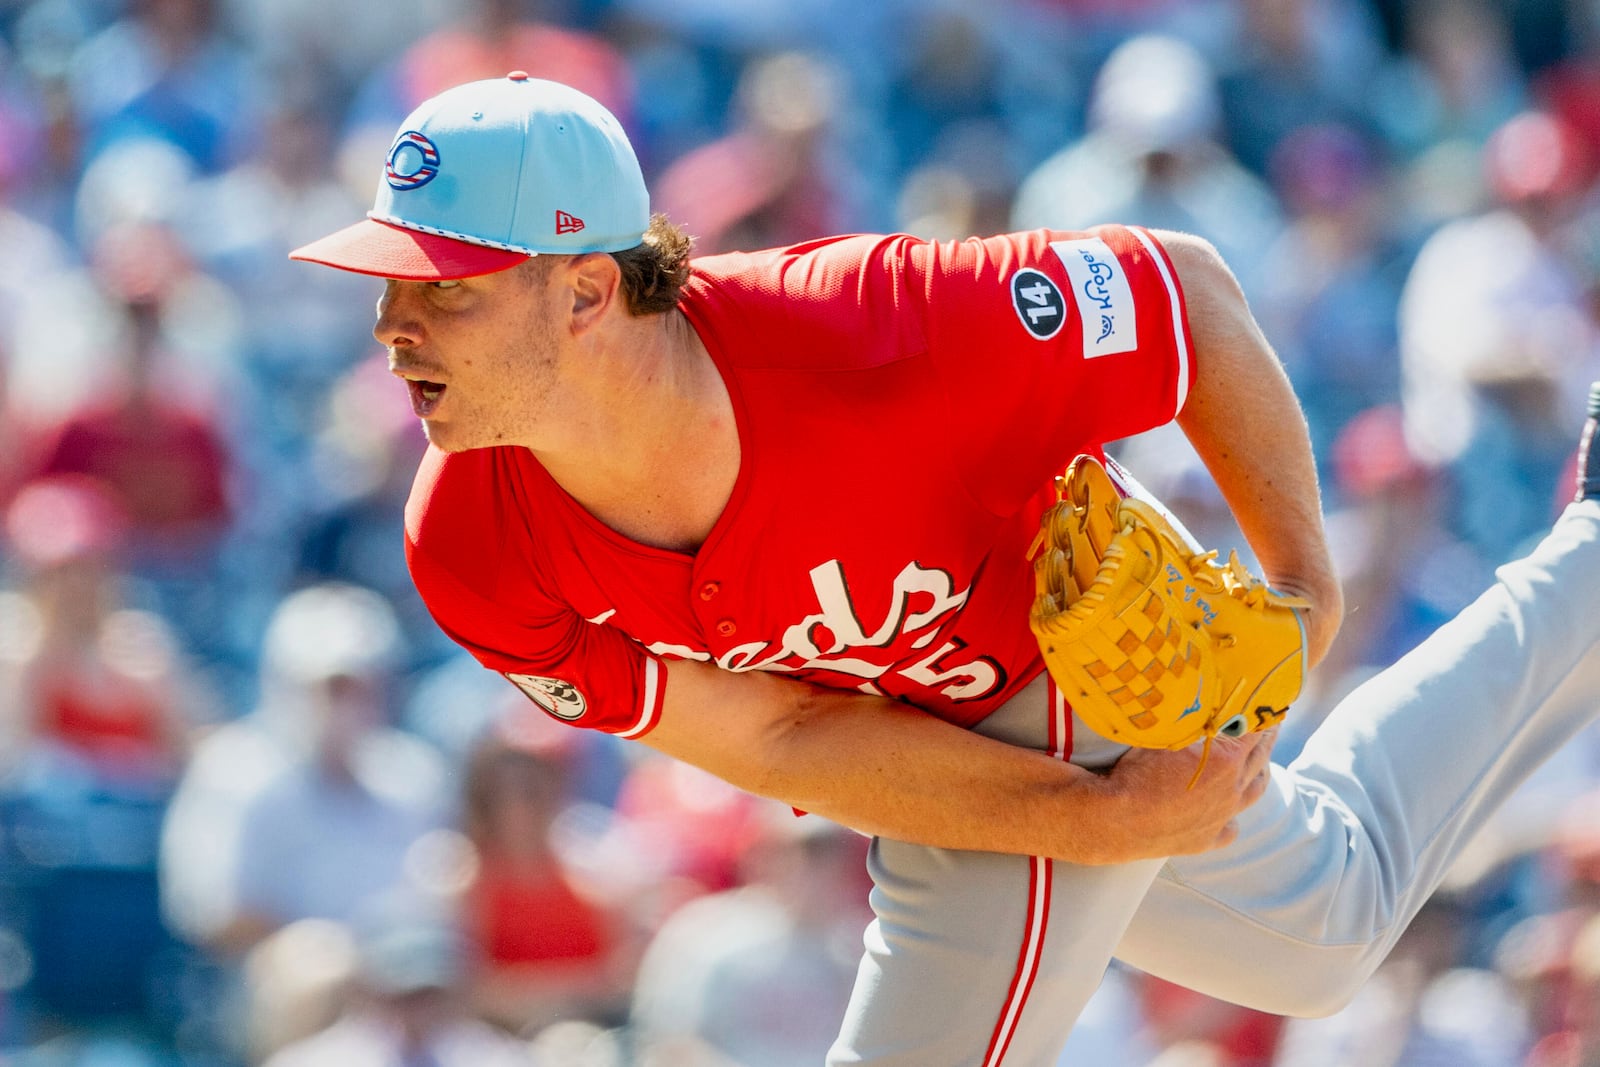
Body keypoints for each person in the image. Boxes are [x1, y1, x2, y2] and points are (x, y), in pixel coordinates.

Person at [289, 73, 1600, 1066]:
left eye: (444, 287)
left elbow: (1183, 296)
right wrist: (1096, 824)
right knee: (1324, 936)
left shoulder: (873, 327)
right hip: (927, 744)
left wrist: (1306, 588)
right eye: (389, 283)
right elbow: (785, 736)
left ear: (586, 292)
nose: (395, 325)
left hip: (1075, 652)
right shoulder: (465, 541)